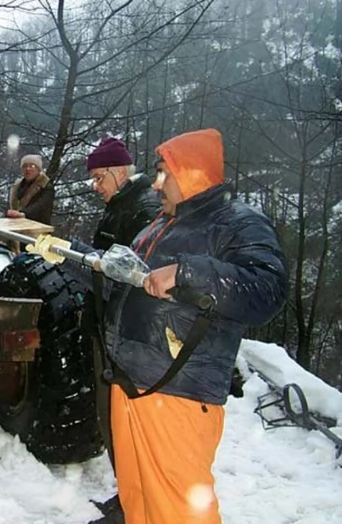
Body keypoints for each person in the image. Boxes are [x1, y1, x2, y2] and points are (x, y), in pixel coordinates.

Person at [27, 128, 288, 524]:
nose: (156, 182)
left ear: (194, 174)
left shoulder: (237, 222)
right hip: (132, 383)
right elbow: (119, 274)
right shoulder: (161, 224)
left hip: (178, 392)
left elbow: (267, 289)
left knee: (178, 510)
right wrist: (67, 254)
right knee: (139, 502)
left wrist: (186, 272)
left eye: (165, 172)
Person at [83, 137, 161, 471]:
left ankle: (134, 503)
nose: (95, 186)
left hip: (128, 334)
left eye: (99, 177)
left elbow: (132, 278)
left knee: (127, 422)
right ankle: (128, 497)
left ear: (118, 172)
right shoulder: (122, 205)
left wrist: (79, 262)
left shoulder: (142, 210)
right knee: (113, 417)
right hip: (113, 327)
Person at [6, 154, 55, 225]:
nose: (28, 169)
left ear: (38, 169)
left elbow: (40, 206)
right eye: (25, 166)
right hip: (17, 225)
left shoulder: (46, 187)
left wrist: (23, 214)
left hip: (39, 228)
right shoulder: (17, 186)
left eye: (32, 166)